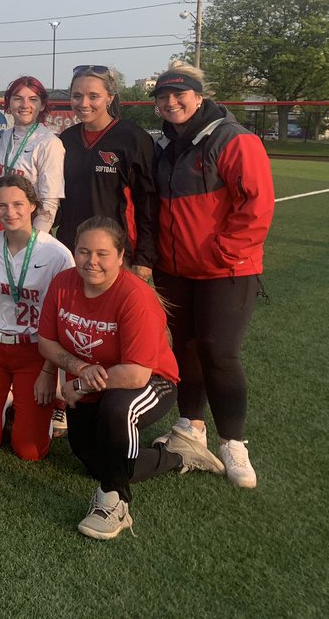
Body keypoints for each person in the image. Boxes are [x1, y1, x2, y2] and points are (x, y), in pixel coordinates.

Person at [39, 217, 224, 540]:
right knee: (95, 458)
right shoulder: (63, 283)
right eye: (83, 251)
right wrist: (80, 368)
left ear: (120, 256)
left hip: (150, 381)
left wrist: (79, 384)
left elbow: (135, 374)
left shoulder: (134, 297)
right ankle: (178, 454)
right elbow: (47, 343)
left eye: (101, 253)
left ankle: (115, 502)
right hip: (92, 382)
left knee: (118, 410)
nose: (90, 261)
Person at [150, 62, 275, 488]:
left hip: (226, 271)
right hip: (175, 270)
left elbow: (257, 206)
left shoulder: (234, 138)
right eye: (163, 97)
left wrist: (223, 253)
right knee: (184, 350)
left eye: (180, 94)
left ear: (199, 97)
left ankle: (234, 443)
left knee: (218, 352)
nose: (171, 102)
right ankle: (191, 428)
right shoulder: (166, 143)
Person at [0, 174, 73, 460]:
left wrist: (51, 372)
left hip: (35, 350)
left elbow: (66, 317)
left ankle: (30, 407)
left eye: (18, 204)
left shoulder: (57, 254)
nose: (10, 212)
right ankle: (7, 397)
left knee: (30, 451)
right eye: (1, 206)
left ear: (33, 206)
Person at [55, 66, 157, 277]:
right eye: (77, 96)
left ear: (110, 97)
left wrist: (144, 256)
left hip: (117, 251)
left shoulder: (133, 139)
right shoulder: (65, 140)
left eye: (94, 96)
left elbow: (148, 201)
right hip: (72, 249)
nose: (84, 103)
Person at [0, 76, 64, 232]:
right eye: (18, 99)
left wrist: (33, 243)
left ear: (42, 105)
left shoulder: (49, 143)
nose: (25, 105)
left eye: (33, 99)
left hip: (28, 230)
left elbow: (49, 202)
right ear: (9, 102)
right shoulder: (5, 136)